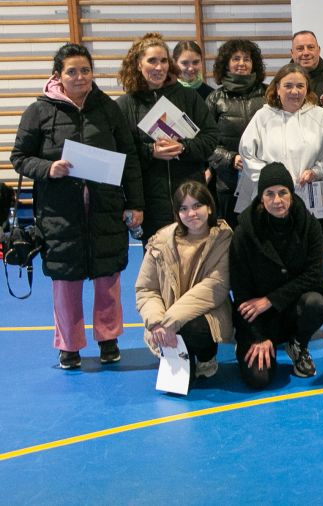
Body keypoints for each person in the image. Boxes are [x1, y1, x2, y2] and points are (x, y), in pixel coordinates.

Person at [11, 43, 144, 369]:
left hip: (105, 206)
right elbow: (19, 158)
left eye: (85, 70)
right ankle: (69, 346)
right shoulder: (38, 111)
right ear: (58, 75)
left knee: (107, 277)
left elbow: (129, 160)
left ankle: (109, 339)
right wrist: (48, 169)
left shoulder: (108, 109)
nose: (80, 76)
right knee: (66, 281)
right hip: (60, 211)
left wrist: (135, 203)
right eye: (72, 71)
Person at [237, 63, 323, 343]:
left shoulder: (319, 116)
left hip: (313, 198)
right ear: (277, 89)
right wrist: (274, 183)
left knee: (317, 258)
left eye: (300, 86)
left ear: (307, 89)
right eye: (288, 86)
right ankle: (271, 317)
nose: (294, 91)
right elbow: (247, 154)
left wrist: (319, 171)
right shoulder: (262, 117)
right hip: (274, 202)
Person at [230, 162, 323, 388]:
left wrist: (271, 300)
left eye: (283, 192)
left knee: (316, 303)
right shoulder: (244, 233)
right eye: (270, 194)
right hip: (256, 317)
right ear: (261, 197)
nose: (277, 200)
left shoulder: (310, 225)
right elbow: (241, 292)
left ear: (292, 195)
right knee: (259, 379)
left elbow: (314, 276)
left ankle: (297, 344)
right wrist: (257, 336)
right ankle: (247, 343)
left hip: (288, 310)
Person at [116, 32, 218, 241]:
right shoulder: (124, 105)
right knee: (158, 262)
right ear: (138, 64)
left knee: (196, 259)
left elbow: (210, 138)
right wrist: (150, 151)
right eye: (152, 61)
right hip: (151, 202)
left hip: (190, 198)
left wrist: (183, 148)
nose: (159, 67)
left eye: (163, 60)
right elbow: (122, 154)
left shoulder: (188, 97)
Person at [135, 181, 233, 380]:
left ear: (210, 207)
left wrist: (170, 322)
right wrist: (155, 323)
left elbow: (215, 286)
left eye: (197, 206)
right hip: (166, 322)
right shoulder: (161, 241)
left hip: (204, 314)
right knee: (183, 387)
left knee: (195, 328)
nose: (191, 214)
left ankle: (206, 357)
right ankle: (179, 356)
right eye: (184, 208)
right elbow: (146, 289)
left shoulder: (224, 239)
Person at [205, 38, 267, 228]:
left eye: (246, 59)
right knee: (231, 240)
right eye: (236, 58)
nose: (241, 64)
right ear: (226, 64)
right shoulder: (215, 99)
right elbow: (205, 143)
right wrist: (230, 159)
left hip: (264, 180)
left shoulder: (270, 94)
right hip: (228, 184)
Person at [289, 30, 323, 103]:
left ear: (319, 50)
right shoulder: (282, 81)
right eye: (300, 48)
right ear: (292, 53)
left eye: (310, 47)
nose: (306, 53)